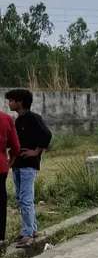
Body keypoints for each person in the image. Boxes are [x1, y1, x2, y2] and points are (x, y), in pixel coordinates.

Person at [4, 89, 52, 248]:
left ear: (20, 102)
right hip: (18, 164)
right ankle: (32, 228)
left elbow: (47, 134)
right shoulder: (17, 121)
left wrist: (36, 151)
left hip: (28, 166)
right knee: (20, 197)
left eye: (11, 100)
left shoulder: (33, 118)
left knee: (26, 199)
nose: (9, 103)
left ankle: (28, 234)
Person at [0, 108, 21, 248]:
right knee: (0, 201)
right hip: (0, 166)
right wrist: (9, 162)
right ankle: (0, 238)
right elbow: (16, 146)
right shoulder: (6, 118)